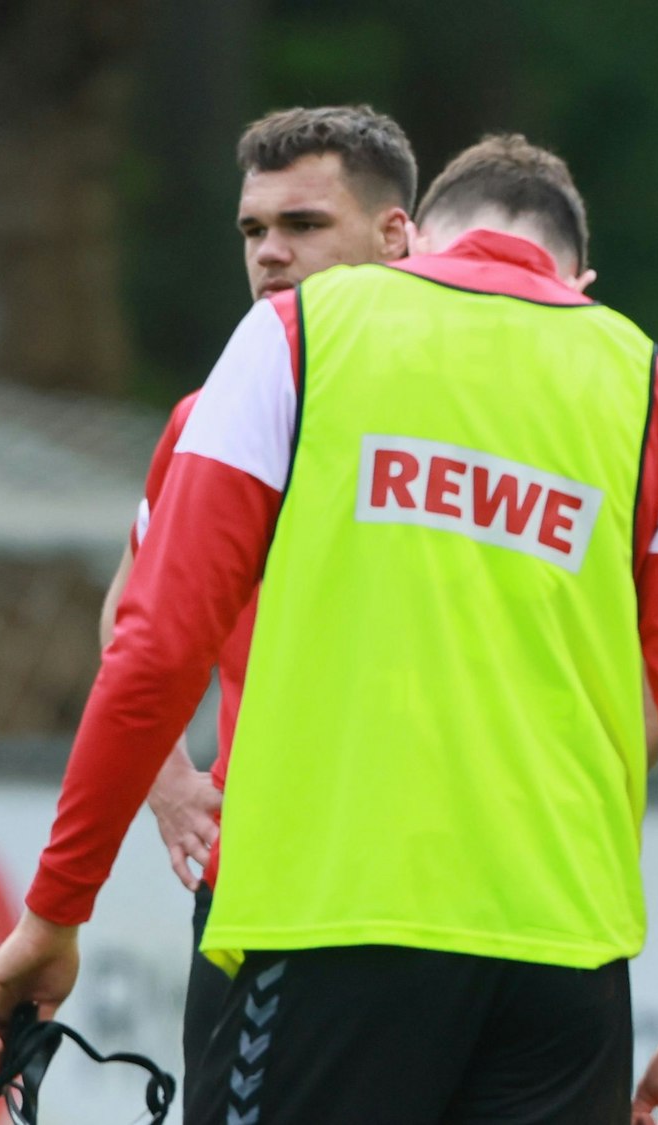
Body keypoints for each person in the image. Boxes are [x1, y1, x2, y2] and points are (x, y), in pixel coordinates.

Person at [0, 135, 658, 1125]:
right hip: (564, 960)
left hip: (324, 923)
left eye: (297, 225)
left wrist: (57, 907)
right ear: (579, 277)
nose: (270, 251)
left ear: (415, 239)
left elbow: (154, 642)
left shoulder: (297, 335)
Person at [95, 102, 418, 1081]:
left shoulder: (472, 404)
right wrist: (169, 784)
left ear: (394, 234)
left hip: (454, 893)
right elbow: (131, 612)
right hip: (276, 894)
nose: (270, 253)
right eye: (253, 231)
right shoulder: (220, 410)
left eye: (304, 226)